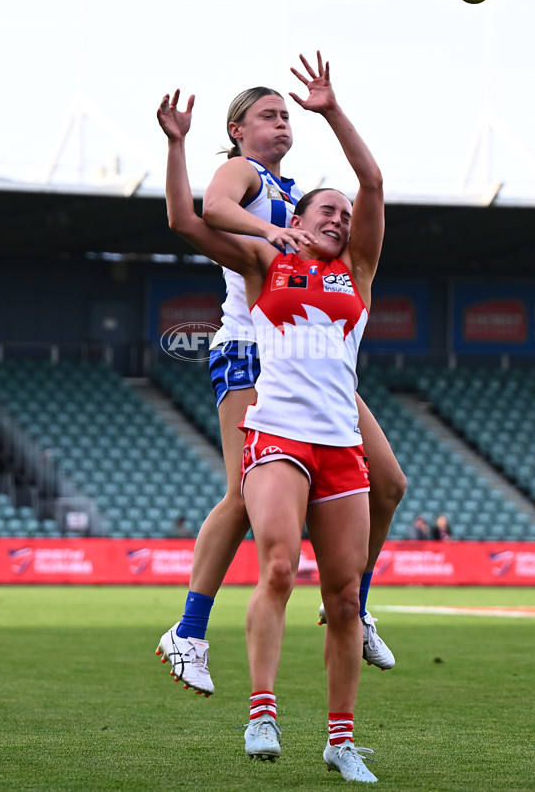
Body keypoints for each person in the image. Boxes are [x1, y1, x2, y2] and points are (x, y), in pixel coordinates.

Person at [157, 52, 383, 783]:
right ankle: (193, 632)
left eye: (288, 116)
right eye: (271, 114)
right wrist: (179, 147)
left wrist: (330, 113)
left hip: (326, 410)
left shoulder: (335, 245)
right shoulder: (258, 211)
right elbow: (195, 217)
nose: (283, 123)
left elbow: (368, 187)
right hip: (255, 356)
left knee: (391, 482)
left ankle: (356, 607)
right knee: (253, 516)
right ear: (240, 129)